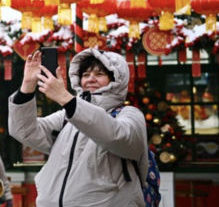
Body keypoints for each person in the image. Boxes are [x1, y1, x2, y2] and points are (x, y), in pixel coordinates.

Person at [8, 48, 148, 207]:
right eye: (86, 75)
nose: (91, 79)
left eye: (100, 74)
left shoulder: (129, 114)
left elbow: (119, 138)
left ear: (116, 80)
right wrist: (27, 86)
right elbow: (25, 132)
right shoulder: (66, 116)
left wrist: (67, 100)